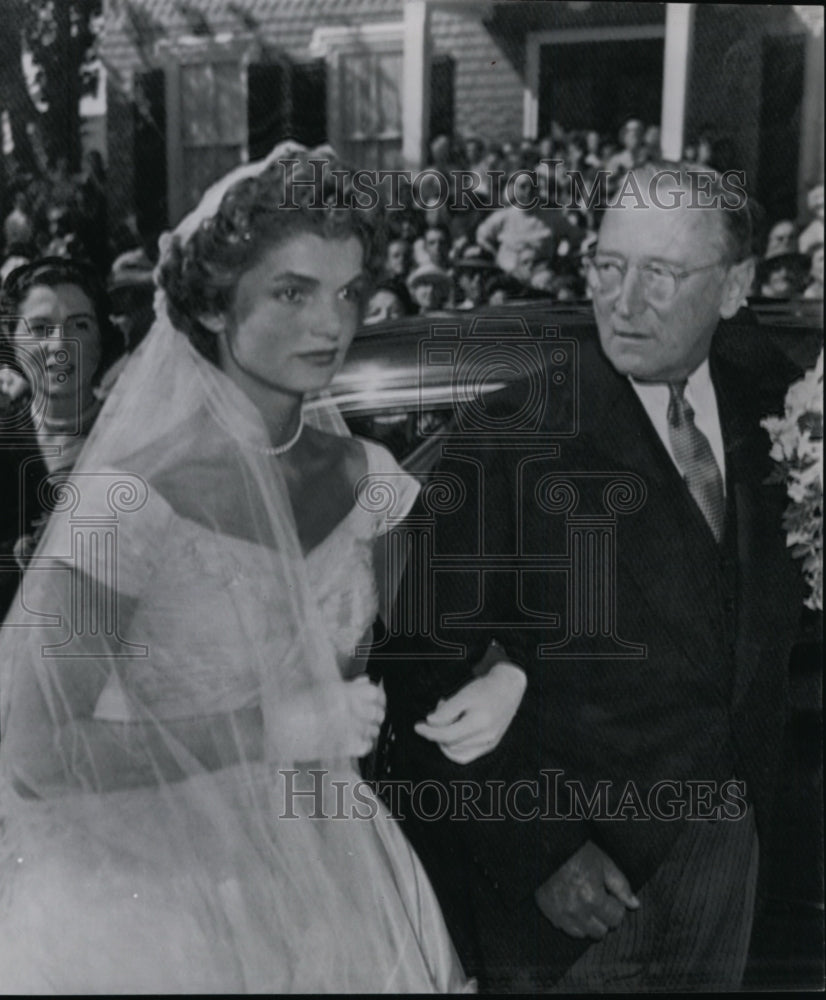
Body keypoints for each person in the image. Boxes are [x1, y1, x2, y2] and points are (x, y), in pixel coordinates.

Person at [0, 145, 520, 992]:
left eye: (348, 292)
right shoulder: (122, 505)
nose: (331, 324)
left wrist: (504, 670)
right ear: (211, 305)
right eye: (292, 291)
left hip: (337, 875)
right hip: (154, 900)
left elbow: (444, 637)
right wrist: (275, 729)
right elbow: (34, 755)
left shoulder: (371, 482)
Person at [373, 162, 805, 991]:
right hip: (573, 902)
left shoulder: (777, 414)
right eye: (609, 266)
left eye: (663, 274)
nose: (624, 300)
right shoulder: (510, 434)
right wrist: (540, 850)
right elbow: (420, 665)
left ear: (735, 286)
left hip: (729, 856)